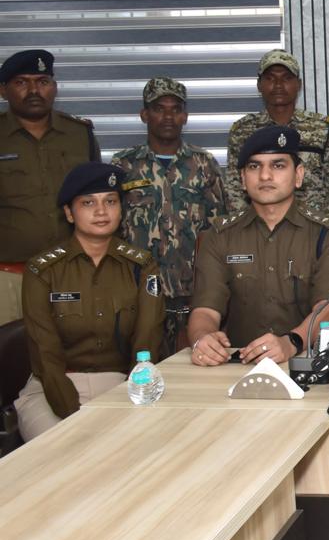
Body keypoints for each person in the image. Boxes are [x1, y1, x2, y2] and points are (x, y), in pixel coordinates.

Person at [15, 163, 163, 441]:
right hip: (52, 386)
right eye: (88, 203)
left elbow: (147, 339)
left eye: (110, 201)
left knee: (136, 446)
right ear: (69, 213)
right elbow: (44, 353)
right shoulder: (42, 270)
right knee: (63, 447)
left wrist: (132, 398)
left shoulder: (142, 266)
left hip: (121, 383)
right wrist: (75, 416)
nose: (101, 211)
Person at [188, 126, 329, 367]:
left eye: (278, 165)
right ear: (243, 179)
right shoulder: (220, 235)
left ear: (298, 175)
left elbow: (327, 307)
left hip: (307, 363)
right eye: (254, 167)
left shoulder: (327, 233)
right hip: (239, 365)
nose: (265, 176)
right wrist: (202, 339)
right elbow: (205, 310)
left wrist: (291, 341)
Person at [112, 77, 227, 357]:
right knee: (142, 362)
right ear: (144, 114)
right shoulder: (124, 165)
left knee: (195, 363)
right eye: (159, 109)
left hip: (193, 291)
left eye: (175, 109)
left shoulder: (204, 164)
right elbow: (111, 228)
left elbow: (221, 227)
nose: (167, 116)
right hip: (140, 289)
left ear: (184, 117)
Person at [0, 49, 101, 266]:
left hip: (73, 267)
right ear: (3, 90)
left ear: (54, 88)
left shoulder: (79, 134)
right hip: (8, 271)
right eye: (21, 82)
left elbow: (98, 197)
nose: (34, 90)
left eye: (43, 82)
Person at [226, 49, 329, 227]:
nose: (278, 85)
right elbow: (235, 189)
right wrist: (245, 232)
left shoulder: (322, 128)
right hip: (260, 230)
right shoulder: (242, 131)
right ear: (259, 85)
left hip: (312, 230)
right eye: (270, 78)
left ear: (299, 84)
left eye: (286, 78)